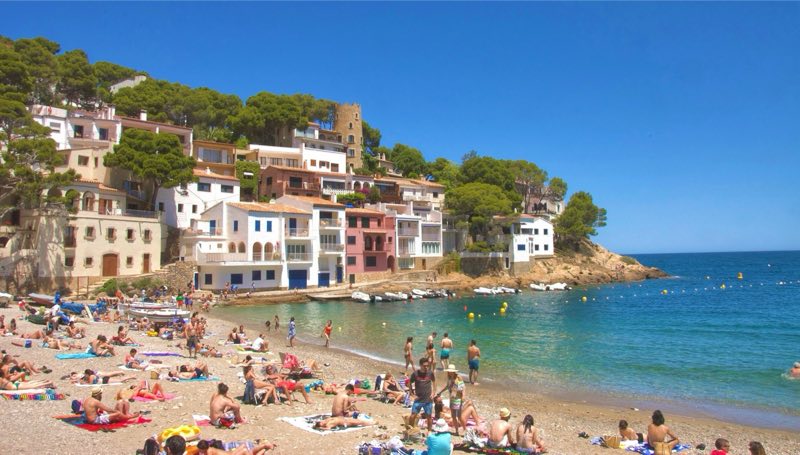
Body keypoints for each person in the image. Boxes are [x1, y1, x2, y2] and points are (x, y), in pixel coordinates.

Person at [436, 364, 465, 435]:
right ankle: (457, 431)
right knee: (453, 416)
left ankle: (465, 429)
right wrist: (440, 392)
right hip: (452, 399)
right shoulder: (449, 378)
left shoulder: (458, 377)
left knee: (459, 416)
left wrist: (463, 396)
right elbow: (447, 386)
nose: (450, 372)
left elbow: (463, 387)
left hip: (458, 399)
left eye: (451, 371)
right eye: (449, 371)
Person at [409, 357, 436, 432]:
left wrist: (433, 392)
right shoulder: (415, 374)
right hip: (418, 399)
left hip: (428, 399)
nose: (426, 367)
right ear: (420, 365)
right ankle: (410, 430)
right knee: (412, 416)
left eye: (427, 365)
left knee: (429, 416)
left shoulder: (430, 373)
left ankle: (429, 431)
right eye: (424, 366)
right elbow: (409, 383)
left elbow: (434, 382)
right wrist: (412, 394)